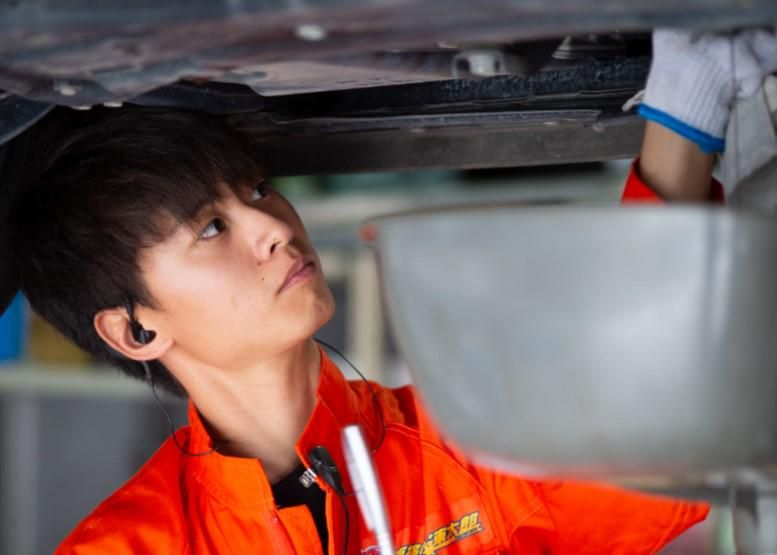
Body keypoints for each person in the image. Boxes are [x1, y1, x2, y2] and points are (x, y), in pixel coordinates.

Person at [2, 29, 775, 554]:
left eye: (259, 189)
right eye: (210, 227)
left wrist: (684, 105)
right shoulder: (134, 545)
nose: (271, 225)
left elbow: (653, 420)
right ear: (135, 329)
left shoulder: (469, 448)